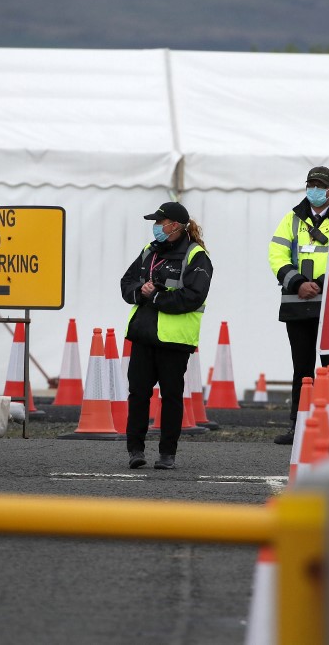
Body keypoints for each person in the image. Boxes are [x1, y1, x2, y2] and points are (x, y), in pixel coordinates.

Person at [120, 201, 212, 470]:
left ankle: (167, 454)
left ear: (175, 226)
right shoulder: (149, 250)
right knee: (138, 394)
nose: (156, 227)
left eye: (160, 223)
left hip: (175, 341)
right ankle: (135, 450)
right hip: (143, 334)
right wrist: (141, 290)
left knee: (171, 396)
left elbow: (194, 297)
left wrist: (156, 295)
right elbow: (126, 283)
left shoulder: (196, 256)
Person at [267, 166, 329, 444]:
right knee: (302, 368)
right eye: (311, 185)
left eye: (320, 186)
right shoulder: (292, 218)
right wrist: (298, 283)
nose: (314, 190)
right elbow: (276, 254)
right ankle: (298, 427)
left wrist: (319, 282)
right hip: (299, 302)